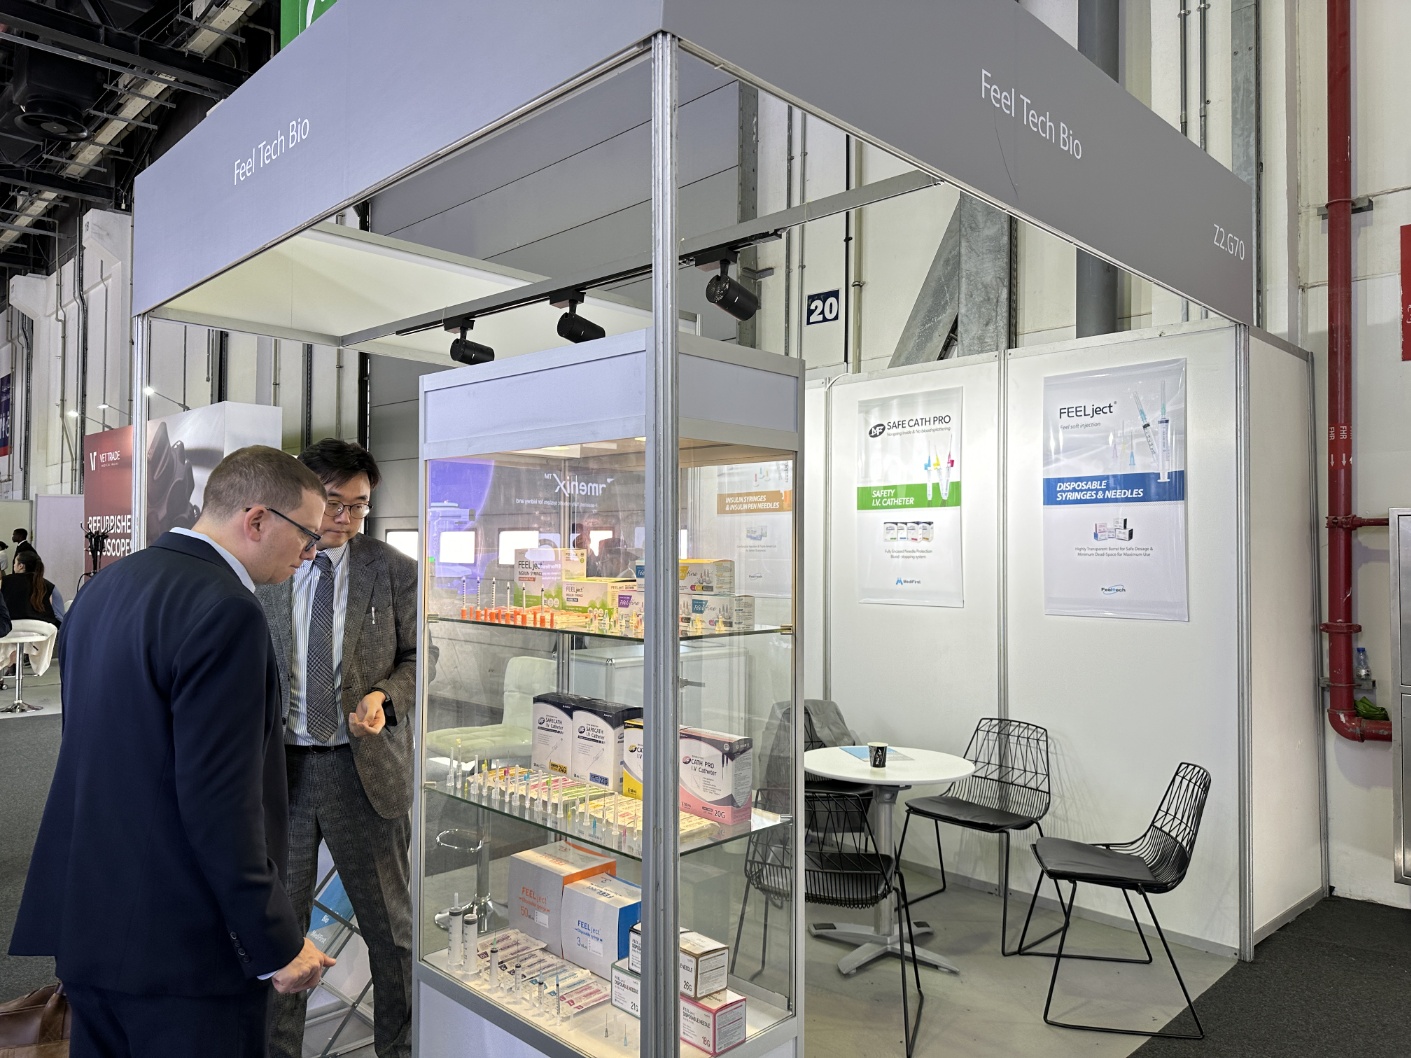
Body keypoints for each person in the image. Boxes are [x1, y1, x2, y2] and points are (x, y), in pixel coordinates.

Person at [10, 445, 337, 1058]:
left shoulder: (106, 587)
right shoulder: (228, 611)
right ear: (257, 519)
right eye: (308, 534)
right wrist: (275, 942)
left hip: (92, 920)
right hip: (183, 950)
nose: (311, 552)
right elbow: (222, 804)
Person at [258, 438, 418, 1058]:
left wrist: (384, 696)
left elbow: (419, 658)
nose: (346, 519)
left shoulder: (392, 568)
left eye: (359, 506)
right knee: (280, 934)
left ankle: (397, 1049)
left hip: (363, 769)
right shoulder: (268, 565)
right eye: (333, 503)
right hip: (283, 772)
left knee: (392, 933)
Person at [3, 551, 63, 626]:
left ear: (21, 566)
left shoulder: (4, 582)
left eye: (15, 563)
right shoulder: (50, 587)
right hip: (43, 631)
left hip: (9, 630)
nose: (14, 565)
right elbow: (60, 619)